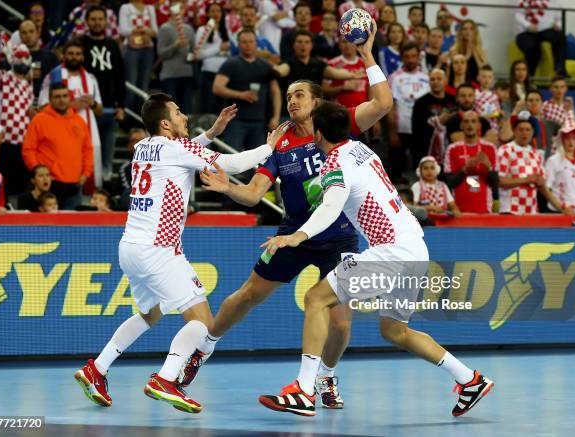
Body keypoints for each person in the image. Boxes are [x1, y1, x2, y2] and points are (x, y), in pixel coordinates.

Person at [181, 21, 393, 409]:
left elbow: (382, 104)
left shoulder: (338, 126)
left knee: (342, 323)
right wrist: (229, 187)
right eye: (289, 95)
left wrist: (366, 56)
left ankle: (326, 378)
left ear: (316, 101)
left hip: (339, 237)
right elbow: (255, 193)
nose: (292, 100)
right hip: (293, 234)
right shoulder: (279, 145)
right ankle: (204, 347)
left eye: (300, 95)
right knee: (247, 295)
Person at [257, 100, 493, 418]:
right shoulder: (361, 149)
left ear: (319, 133)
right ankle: (469, 380)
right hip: (415, 249)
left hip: (390, 252)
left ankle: (303, 389)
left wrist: (297, 236)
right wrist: (368, 58)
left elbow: (330, 207)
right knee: (394, 331)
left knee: (315, 299)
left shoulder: (335, 163)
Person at [73, 94, 283, 411]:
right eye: (178, 112)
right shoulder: (177, 148)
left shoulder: (144, 146)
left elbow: (180, 151)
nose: (184, 115)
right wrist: (270, 147)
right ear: (165, 123)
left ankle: (96, 369)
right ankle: (167, 378)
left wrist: (211, 133)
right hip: (160, 249)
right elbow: (234, 164)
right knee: (202, 319)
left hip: (131, 246)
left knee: (150, 313)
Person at [39, 39, 104, 187]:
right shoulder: (53, 75)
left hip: (86, 126)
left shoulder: (90, 78)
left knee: (87, 161)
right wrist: (71, 106)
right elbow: (43, 106)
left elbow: (100, 109)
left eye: (78, 54)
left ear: (82, 57)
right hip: (60, 127)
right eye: (70, 54)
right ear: (64, 55)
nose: (74, 57)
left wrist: (92, 103)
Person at [23, 83, 94, 209]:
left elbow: (87, 149)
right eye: (57, 97)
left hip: (75, 185)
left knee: (74, 227)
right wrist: (39, 174)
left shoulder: (79, 121)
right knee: (47, 226)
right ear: (50, 100)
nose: (61, 100)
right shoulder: (39, 120)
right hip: (50, 185)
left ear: (70, 98)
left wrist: (86, 173)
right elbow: (28, 150)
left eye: (64, 96)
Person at [213, 29, 282, 150]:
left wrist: (276, 117)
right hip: (235, 121)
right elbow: (217, 88)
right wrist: (241, 95)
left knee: (257, 161)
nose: (248, 45)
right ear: (238, 44)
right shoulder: (231, 64)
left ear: (256, 44)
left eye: (251, 41)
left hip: (259, 121)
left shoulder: (265, 65)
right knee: (232, 157)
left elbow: (276, 92)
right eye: (244, 42)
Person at [80, 5, 126, 182]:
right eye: (93, 19)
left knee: (107, 155)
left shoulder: (113, 44)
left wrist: (121, 105)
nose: (97, 22)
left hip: (110, 110)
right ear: (87, 21)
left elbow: (121, 76)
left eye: (100, 19)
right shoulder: (80, 43)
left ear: (106, 21)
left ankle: (104, 188)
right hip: (88, 109)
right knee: (88, 150)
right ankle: (88, 184)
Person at [497, 114, 570, 215]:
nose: (524, 133)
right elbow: (499, 181)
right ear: (514, 131)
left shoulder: (536, 154)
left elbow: (543, 188)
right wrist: (526, 180)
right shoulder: (505, 150)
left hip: (531, 213)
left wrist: (562, 208)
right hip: (510, 211)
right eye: (520, 129)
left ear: (533, 132)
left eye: (528, 130)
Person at [0, 43, 35, 198]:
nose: (22, 61)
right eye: (19, 57)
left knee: (20, 184)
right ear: (12, 58)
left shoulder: (29, 86)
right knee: (2, 183)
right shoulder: (4, 77)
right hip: (3, 141)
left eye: (25, 57)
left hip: (23, 143)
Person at [387, 42, 430, 179]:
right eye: (407, 56)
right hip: (401, 129)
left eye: (413, 56)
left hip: (421, 130)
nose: (410, 60)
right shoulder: (394, 77)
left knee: (421, 168)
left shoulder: (427, 77)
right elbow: (390, 105)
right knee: (397, 169)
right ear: (402, 58)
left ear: (419, 57)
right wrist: (392, 132)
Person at [444, 111, 498, 213]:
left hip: (485, 209)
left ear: (479, 126)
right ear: (461, 126)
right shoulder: (452, 149)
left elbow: (495, 183)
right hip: (459, 211)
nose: (470, 125)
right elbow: (449, 182)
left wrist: (489, 167)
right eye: (466, 121)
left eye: (473, 121)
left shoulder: (490, 148)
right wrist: (464, 169)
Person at [157, 0, 195, 117]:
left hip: (186, 74)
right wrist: (175, 45)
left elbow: (192, 53)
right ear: (170, 10)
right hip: (170, 75)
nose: (178, 10)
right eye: (175, 7)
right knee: (171, 112)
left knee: (186, 111)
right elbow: (161, 53)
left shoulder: (189, 29)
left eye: (181, 7)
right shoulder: (165, 28)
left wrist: (193, 56)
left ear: (184, 10)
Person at [411, 68, 456, 164]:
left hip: (450, 148)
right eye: (432, 79)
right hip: (427, 149)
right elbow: (416, 129)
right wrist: (438, 121)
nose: (435, 82)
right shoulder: (420, 102)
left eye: (439, 79)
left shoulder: (453, 100)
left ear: (446, 81)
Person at [119, 0, 158, 112]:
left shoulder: (150, 8)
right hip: (131, 49)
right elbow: (122, 29)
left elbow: (155, 30)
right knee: (131, 83)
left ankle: (140, 116)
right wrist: (142, 30)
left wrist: (148, 32)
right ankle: (128, 117)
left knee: (144, 86)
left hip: (147, 49)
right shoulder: (126, 7)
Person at [545, 118, 575, 214]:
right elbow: (547, 189)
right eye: (567, 138)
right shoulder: (553, 161)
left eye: (574, 138)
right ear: (562, 140)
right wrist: (562, 208)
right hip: (559, 212)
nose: (571, 142)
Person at [194, 2, 230, 114]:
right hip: (208, 73)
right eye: (212, 11)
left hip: (225, 75)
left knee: (222, 109)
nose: (216, 14)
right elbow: (198, 55)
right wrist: (219, 48)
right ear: (207, 14)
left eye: (218, 11)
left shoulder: (227, 30)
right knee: (207, 108)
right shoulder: (202, 30)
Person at [515, 0, 565, 75]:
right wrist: (528, 25)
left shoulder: (554, 2)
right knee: (532, 49)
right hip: (526, 32)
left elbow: (559, 18)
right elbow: (518, 15)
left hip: (546, 30)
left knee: (559, 36)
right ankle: (529, 77)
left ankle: (559, 69)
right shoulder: (523, 1)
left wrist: (558, 25)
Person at [17, 19, 59, 101]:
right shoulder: (13, 58)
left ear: (38, 33)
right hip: (19, 102)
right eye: (24, 32)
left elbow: (57, 84)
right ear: (19, 36)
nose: (28, 35)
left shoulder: (51, 57)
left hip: (44, 103)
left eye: (31, 31)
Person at [322, 37, 368, 109]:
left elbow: (371, 92)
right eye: (344, 42)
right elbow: (324, 90)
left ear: (357, 44)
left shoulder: (366, 64)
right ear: (339, 45)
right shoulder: (331, 64)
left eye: (351, 41)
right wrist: (342, 88)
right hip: (340, 112)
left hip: (363, 111)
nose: (348, 45)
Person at [119, 127, 148, 210]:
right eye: (135, 140)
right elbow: (128, 194)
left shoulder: (159, 165)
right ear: (129, 146)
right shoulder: (124, 169)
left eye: (143, 139)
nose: (140, 143)